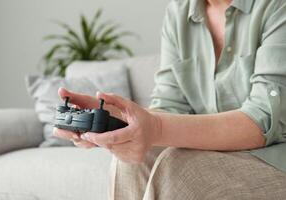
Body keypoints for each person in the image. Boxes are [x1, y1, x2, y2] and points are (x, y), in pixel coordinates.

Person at [54, 0, 286, 199]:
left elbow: (262, 121)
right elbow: (169, 105)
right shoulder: (180, 12)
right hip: (218, 153)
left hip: (275, 160)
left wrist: (155, 127)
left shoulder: (277, 6)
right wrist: (115, 119)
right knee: (133, 163)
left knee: (179, 170)